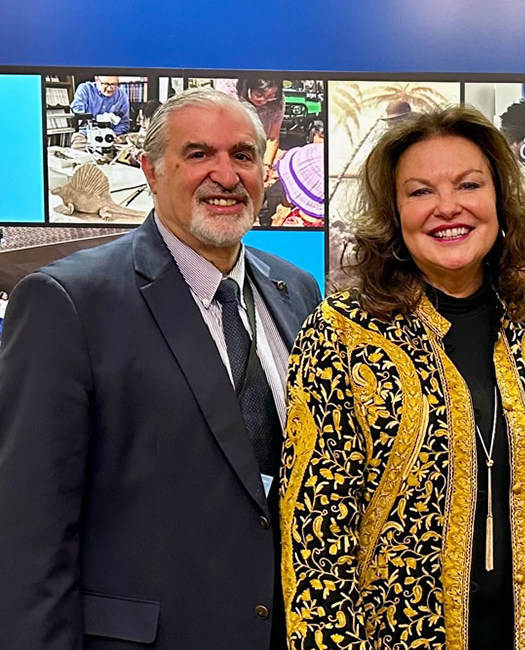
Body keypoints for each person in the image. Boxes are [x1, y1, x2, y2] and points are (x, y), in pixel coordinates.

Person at [0, 88, 322, 649]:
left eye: (243, 155)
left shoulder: (294, 289)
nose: (225, 174)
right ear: (150, 170)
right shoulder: (70, 302)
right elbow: (28, 527)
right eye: (198, 154)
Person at [281, 105, 525, 650]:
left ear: (499, 198)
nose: (448, 207)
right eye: (420, 191)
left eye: (469, 185)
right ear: (394, 213)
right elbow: (316, 537)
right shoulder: (340, 334)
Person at [237, 78, 285, 172]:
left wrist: (267, 166)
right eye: (259, 95)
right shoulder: (232, 97)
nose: (264, 101)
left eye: (271, 96)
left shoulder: (277, 102)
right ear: (247, 88)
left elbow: (273, 138)